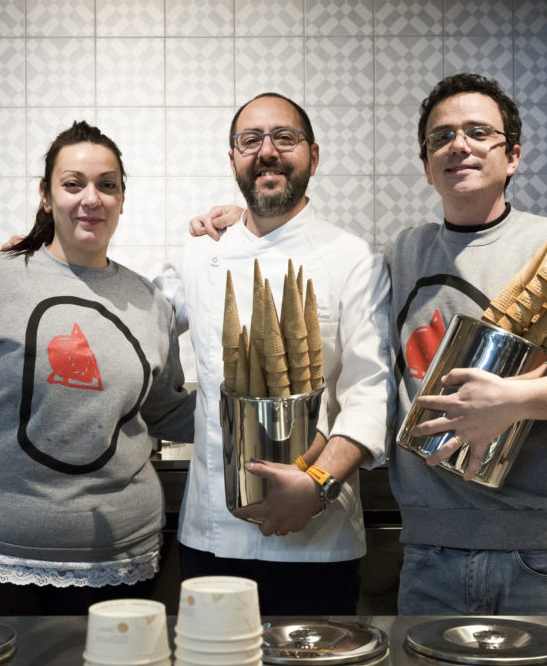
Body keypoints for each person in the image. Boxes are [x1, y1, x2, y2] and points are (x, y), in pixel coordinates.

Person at [0, 121, 195, 616]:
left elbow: (168, 412)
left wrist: (278, 413)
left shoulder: (149, 303)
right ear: (46, 195)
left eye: (107, 185)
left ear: (122, 198)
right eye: (73, 184)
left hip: (122, 570)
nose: (91, 198)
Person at [387, 73, 547, 615]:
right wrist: (243, 226)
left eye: (480, 132)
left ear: (513, 156)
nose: (459, 145)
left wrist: (512, 401)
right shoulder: (402, 253)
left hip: (537, 554)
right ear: (427, 164)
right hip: (427, 548)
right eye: (441, 136)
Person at [157, 92, 393, 615]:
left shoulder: (351, 257)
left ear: (313, 154)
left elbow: (369, 390)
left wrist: (317, 484)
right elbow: (133, 319)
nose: (267, 151)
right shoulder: (202, 251)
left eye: (284, 138)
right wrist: (53, 261)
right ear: (233, 158)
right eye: (251, 140)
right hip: (212, 537)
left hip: (320, 537)